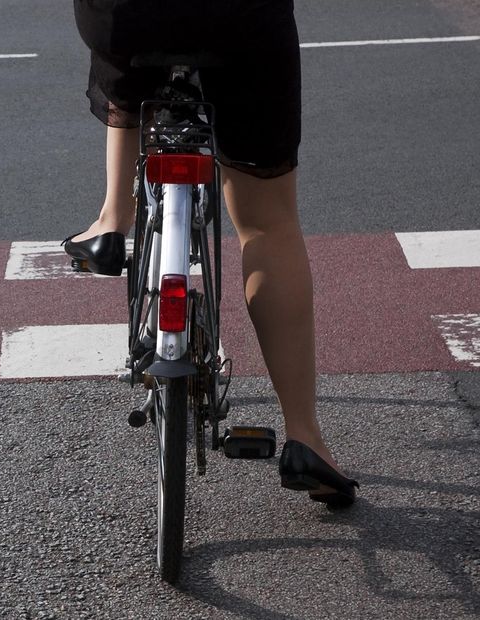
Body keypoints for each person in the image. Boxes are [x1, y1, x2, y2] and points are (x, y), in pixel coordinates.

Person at [65, 0, 358, 506]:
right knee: (268, 225)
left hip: (125, 17)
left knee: (119, 49)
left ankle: (114, 218)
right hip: (240, 20)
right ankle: (305, 438)